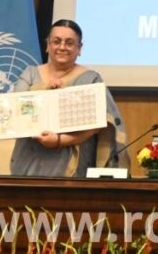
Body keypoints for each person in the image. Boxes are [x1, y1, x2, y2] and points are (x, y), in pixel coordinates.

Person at [10, 20, 127, 177]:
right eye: (56, 41)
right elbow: (15, 110)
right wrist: (43, 89)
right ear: (47, 45)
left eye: (70, 43)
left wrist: (60, 140)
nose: (62, 47)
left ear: (79, 48)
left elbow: (98, 124)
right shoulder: (30, 74)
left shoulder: (91, 79)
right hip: (29, 158)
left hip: (73, 163)